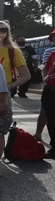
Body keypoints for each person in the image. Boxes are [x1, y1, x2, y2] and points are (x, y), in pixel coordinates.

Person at [0, 21, 30, 177]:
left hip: (1, 95)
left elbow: (26, 75)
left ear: (8, 32)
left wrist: (11, 86)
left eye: (3, 30)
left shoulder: (13, 52)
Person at [40, 29, 55, 159]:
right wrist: (44, 77)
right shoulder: (52, 54)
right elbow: (45, 68)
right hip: (50, 90)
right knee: (51, 120)